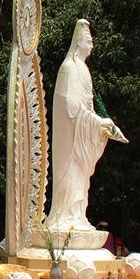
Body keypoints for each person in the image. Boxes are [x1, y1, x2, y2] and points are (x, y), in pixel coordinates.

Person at [42, 19, 126, 233]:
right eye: (88, 40)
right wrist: (97, 122)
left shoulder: (84, 70)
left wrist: (98, 124)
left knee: (82, 179)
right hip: (71, 137)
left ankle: (77, 216)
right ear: (78, 43)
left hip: (83, 133)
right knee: (71, 174)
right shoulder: (69, 69)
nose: (92, 45)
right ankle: (65, 217)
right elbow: (70, 107)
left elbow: (85, 107)